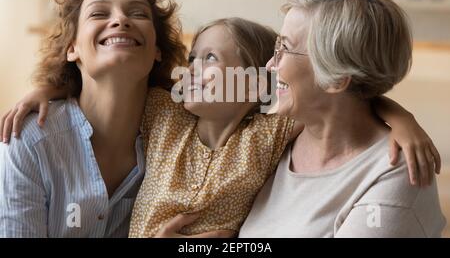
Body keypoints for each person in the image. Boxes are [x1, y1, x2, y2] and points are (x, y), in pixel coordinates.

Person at [1, 13, 441, 237]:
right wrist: (48, 90)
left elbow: (338, 96)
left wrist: (401, 117)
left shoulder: (269, 135)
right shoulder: (163, 116)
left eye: (210, 59)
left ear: (255, 81)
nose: (190, 69)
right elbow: (109, 83)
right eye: (193, 58)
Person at [239, 0, 446, 237]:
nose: (271, 64)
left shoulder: (399, 175)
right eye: (276, 46)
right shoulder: (278, 136)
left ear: (336, 79)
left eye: (286, 48)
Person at [0, 0, 186, 237]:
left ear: (157, 49)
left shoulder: (184, 142)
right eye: (99, 13)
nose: (121, 20)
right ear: (72, 48)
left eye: (138, 13)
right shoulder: (29, 141)